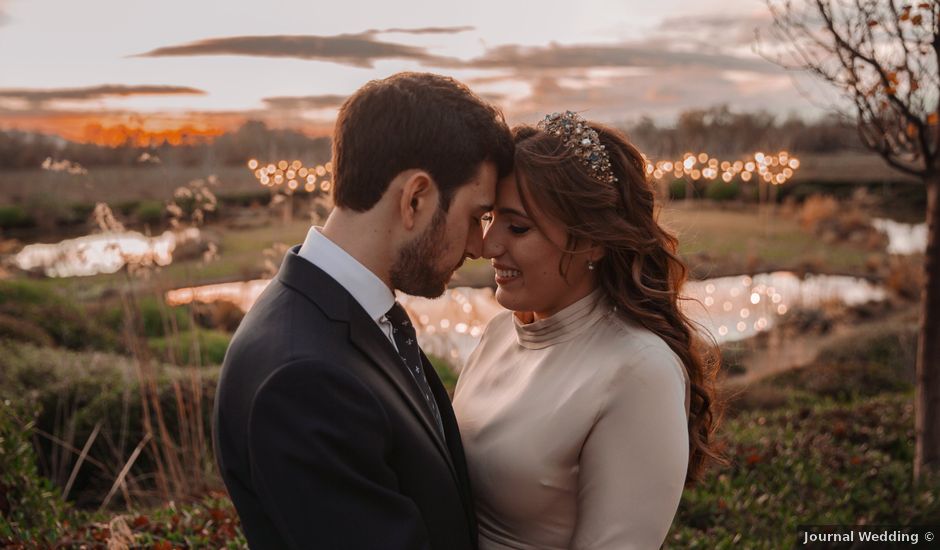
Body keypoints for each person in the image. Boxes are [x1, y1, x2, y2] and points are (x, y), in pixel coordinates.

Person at [213, 72, 513, 549]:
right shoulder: (304, 380)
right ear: (414, 199)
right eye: (476, 216)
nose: (481, 245)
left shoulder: (346, 315)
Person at [452, 111, 724, 550]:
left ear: (592, 240)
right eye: (490, 219)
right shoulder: (499, 334)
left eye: (518, 227)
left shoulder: (639, 370)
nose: (489, 245)